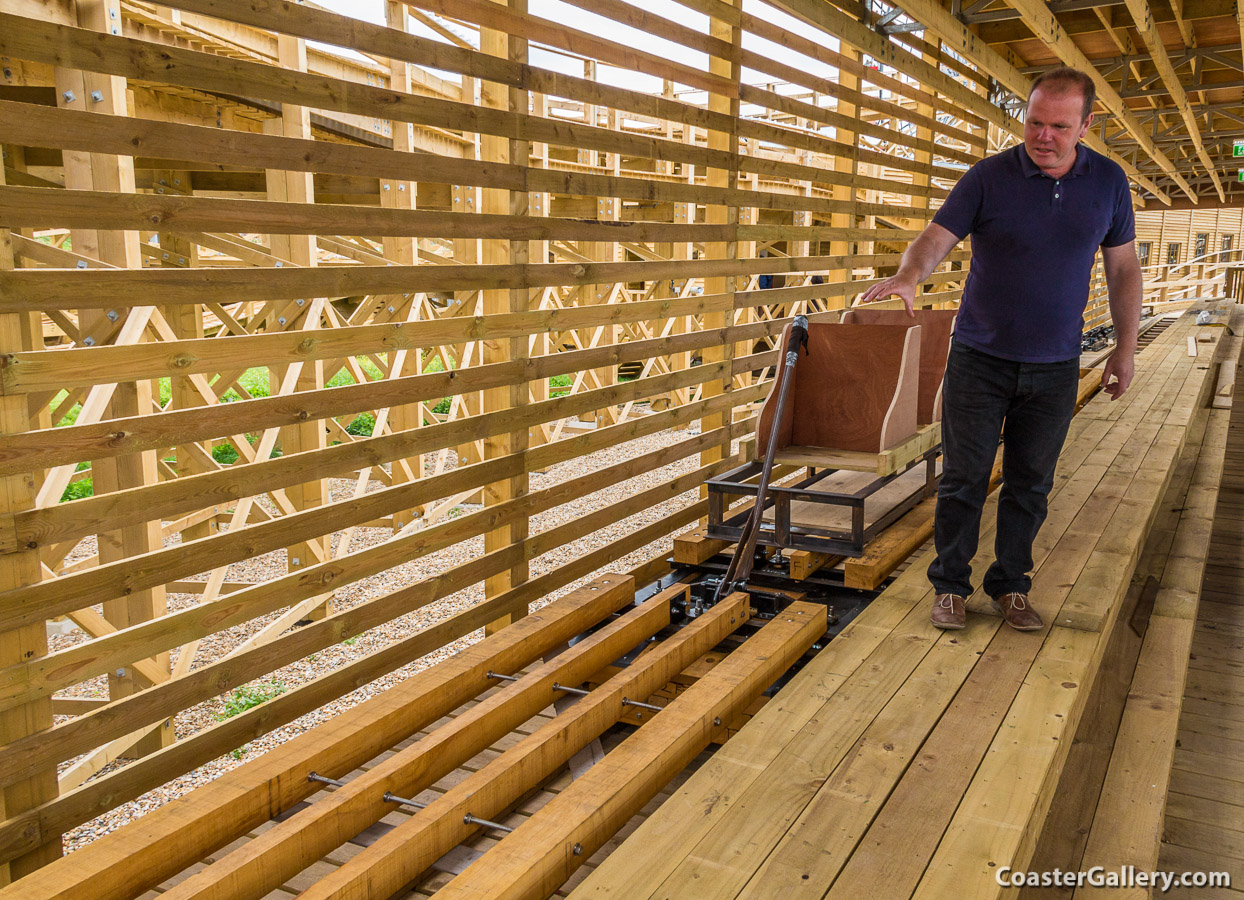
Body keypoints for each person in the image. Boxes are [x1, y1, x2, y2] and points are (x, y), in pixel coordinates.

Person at [859, 66, 1142, 633]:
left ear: (1086, 124)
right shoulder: (988, 177)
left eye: (1058, 126)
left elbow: (1124, 269)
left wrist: (1124, 349)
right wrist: (911, 275)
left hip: (1056, 363)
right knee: (964, 478)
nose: (1043, 136)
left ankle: (1011, 585)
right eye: (1034, 122)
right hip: (980, 359)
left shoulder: (1108, 184)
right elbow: (933, 240)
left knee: (1031, 483)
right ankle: (950, 586)